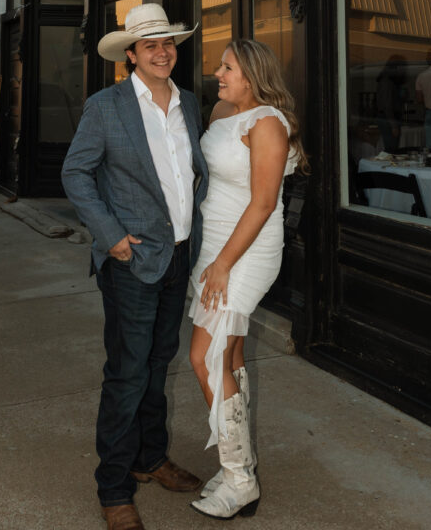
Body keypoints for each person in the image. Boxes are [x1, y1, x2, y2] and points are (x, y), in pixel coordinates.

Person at [62, 3, 209, 530]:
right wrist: (112, 239)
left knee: (157, 365)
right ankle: (115, 488)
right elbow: (76, 173)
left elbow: (193, 177)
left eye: (168, 43)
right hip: (130, 261)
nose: (162, 52)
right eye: (151, 45)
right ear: (131, 55)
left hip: (177, 257)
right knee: (126, 374)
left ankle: (151, 458)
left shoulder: (189, 103)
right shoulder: (106, 106)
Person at [188, 39, 309, 519]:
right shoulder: (221, 111)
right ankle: (240, 463)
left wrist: (223, 264)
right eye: (220, 66)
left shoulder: (268, 125)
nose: (218, 73)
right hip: (212, 243)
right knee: (230, 353)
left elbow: (262, 203)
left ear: (253, 74)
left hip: (245, 251)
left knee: (204, 356)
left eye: (228, 67)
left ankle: (240, 481)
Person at [375, 54, 407, 153]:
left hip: (389, 118)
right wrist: (393, 125)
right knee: (391, 150)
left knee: (392, 149)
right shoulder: (387, 82)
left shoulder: (390, 81)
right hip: (388, 119)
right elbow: (387, 105)